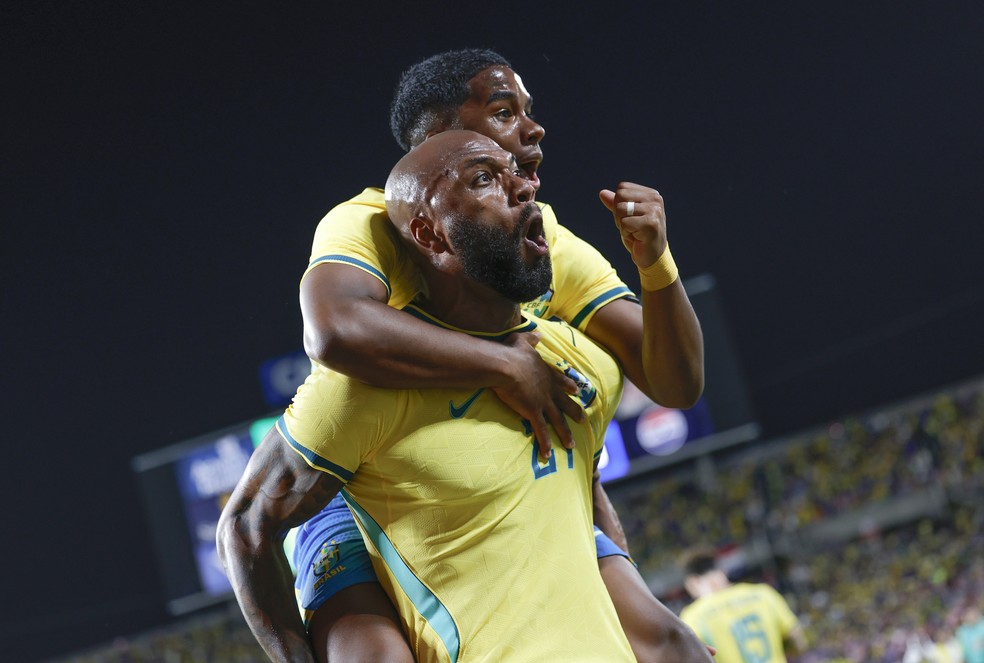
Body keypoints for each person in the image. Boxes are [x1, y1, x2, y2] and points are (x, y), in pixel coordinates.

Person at [293, 48, 709, 662]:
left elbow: (674, 383)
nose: (534, 128)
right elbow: (333, 327)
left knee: (672, 645)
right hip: (367, 485)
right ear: (442, 136)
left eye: (528, 111)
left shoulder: (543, 234)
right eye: (504, 110)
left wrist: (655, 264)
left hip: (498, 475)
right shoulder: (370, 223)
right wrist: (505, 363)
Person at [219, 130, 656, 661]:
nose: (523, 184)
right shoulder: (369, 378)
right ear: (429, 234)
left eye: (515, 172)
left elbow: (593, 467)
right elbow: (246, 525)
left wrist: (657, 263)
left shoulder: (577, 360)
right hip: (347, 517)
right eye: (484, 177)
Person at [680, 549, 808, 663]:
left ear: (692, 582)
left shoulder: (692, 616)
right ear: (721, 572)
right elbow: (798, 641)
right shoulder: (763, 594)